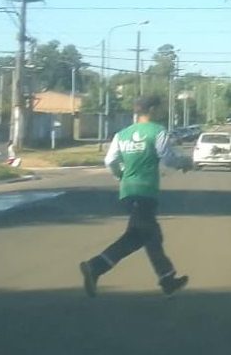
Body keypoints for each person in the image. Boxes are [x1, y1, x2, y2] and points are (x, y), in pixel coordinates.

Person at [80, 95, 193, 297]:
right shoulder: (157, 131)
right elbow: (168, 159)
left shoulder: (122, 134)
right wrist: (186, 162)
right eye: (159, 109)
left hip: (127, 191)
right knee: (141, 236)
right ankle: (95, 266)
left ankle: (167, 279)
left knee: (146, 236)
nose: (160, 112)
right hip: (146, 192)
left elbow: (110, 160)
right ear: (152, 110)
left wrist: (121, 176)